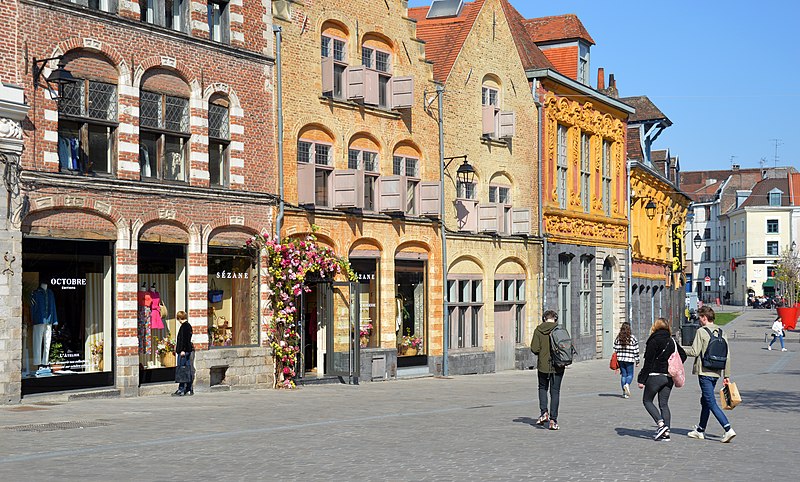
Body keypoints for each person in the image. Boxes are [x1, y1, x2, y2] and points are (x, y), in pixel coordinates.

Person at [683, 305, 736, 443]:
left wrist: (680, 349)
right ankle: (700, 430)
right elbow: (728, 356)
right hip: (717, 372)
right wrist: (726, 376)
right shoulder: (721, 332)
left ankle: (728, 428)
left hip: (704, 371)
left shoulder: (701, 331)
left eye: (700, 318)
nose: (699, 321)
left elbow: (694, 351)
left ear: (704, 318)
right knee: (705, 400)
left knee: (711, 402)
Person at [637, 318, 687, 441]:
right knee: (664, 404)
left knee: (647, 401)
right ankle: (666, 433)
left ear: (655, 327)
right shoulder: (672, 341)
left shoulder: (653, 341)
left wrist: (642, 380)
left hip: (654, 376)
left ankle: (661, 424)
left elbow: (648, 363)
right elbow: (683, 355)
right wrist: (671, 365)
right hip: (668, 377)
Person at [530, 310, 564, 431]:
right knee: (555, 392)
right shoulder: (560, 330)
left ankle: (544, 412)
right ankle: (553, 420)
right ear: (555, 319)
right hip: (558, 365)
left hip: (543, 366)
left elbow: (534, 348)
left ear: (544, 318)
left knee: (542, 388)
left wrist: (542, 352)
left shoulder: (538, 330)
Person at [613, 322, 640, 399]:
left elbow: (615, 349)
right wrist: (637, 360)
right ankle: (627, 384)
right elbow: (636, 350)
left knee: (623, 375)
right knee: (630, 374)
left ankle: (624, 393)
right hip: (630, 359)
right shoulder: (632, 338)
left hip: (620, 359)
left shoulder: (618, 338)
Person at [174, 310, 194, 396]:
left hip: (183, 352)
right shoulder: (188, 326)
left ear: (179, 318)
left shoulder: (184, 327)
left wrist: (182, 349)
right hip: (188, 351)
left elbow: (183, 340)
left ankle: (181, 389)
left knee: (182, 369)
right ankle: (189, 388)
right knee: (187, 369)